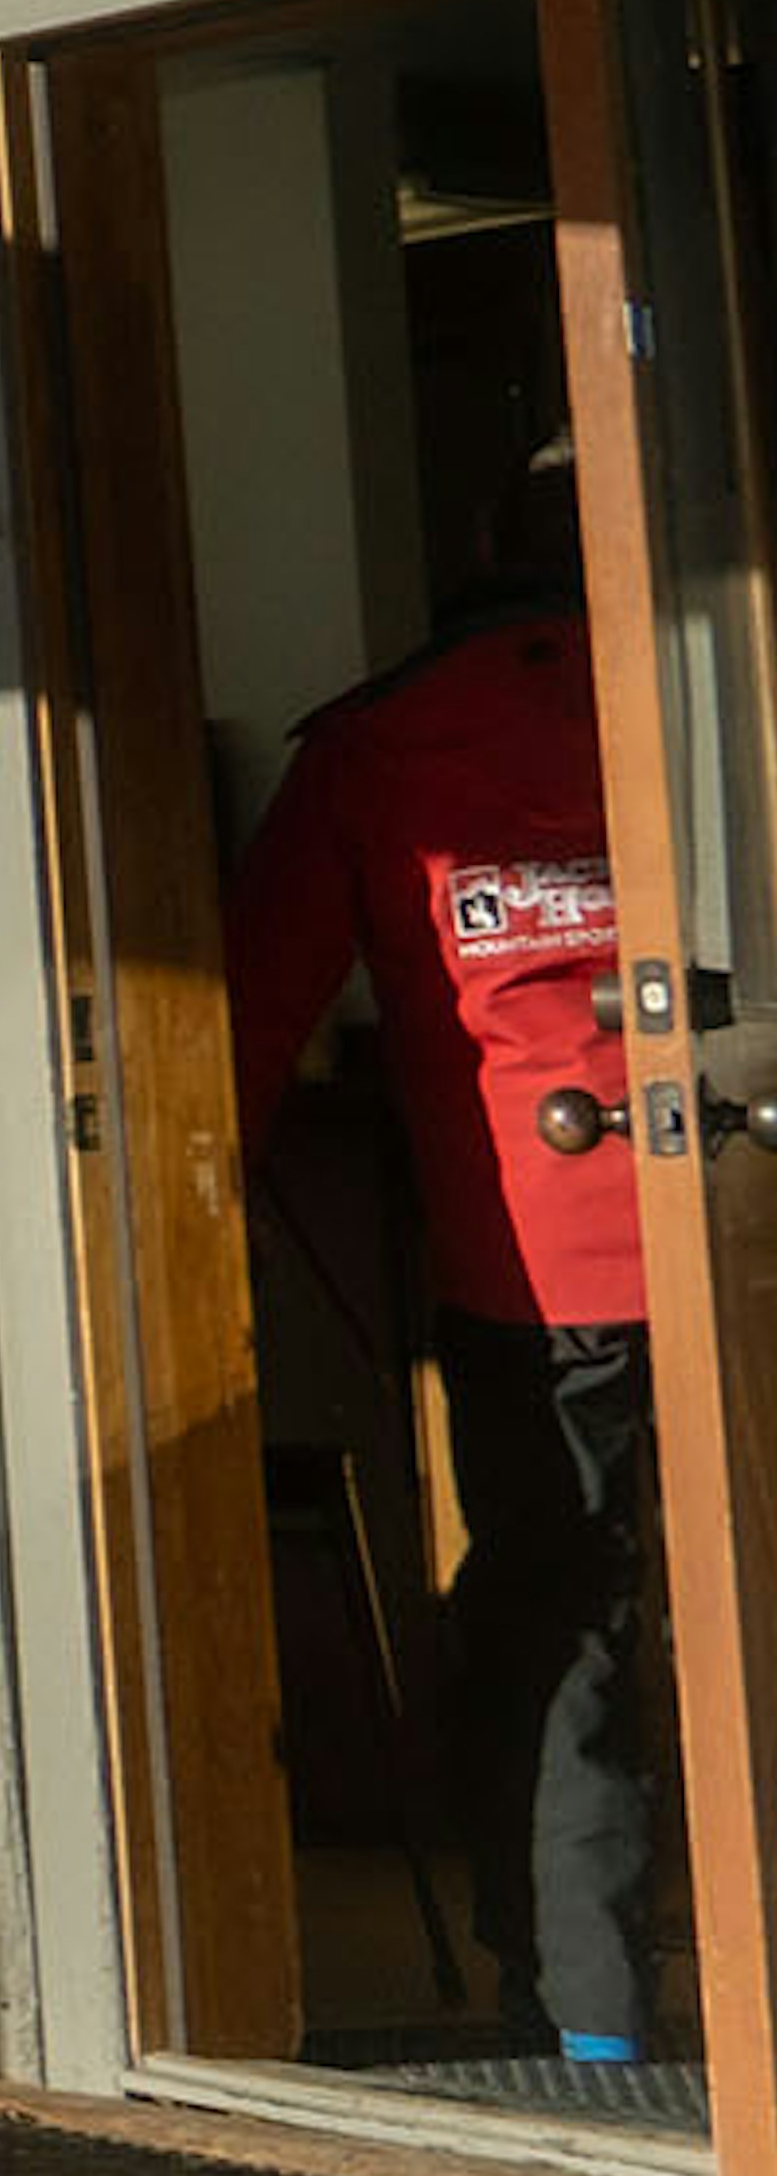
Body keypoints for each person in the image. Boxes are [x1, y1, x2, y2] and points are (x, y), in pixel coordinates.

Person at [224, 515, 674, 2063]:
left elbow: (237, 1019)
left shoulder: (372, 747)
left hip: (532, 1272)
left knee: (558, 1624)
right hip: (732, 1219)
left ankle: (590, 2014)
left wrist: (211, 1205)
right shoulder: (703, 690)